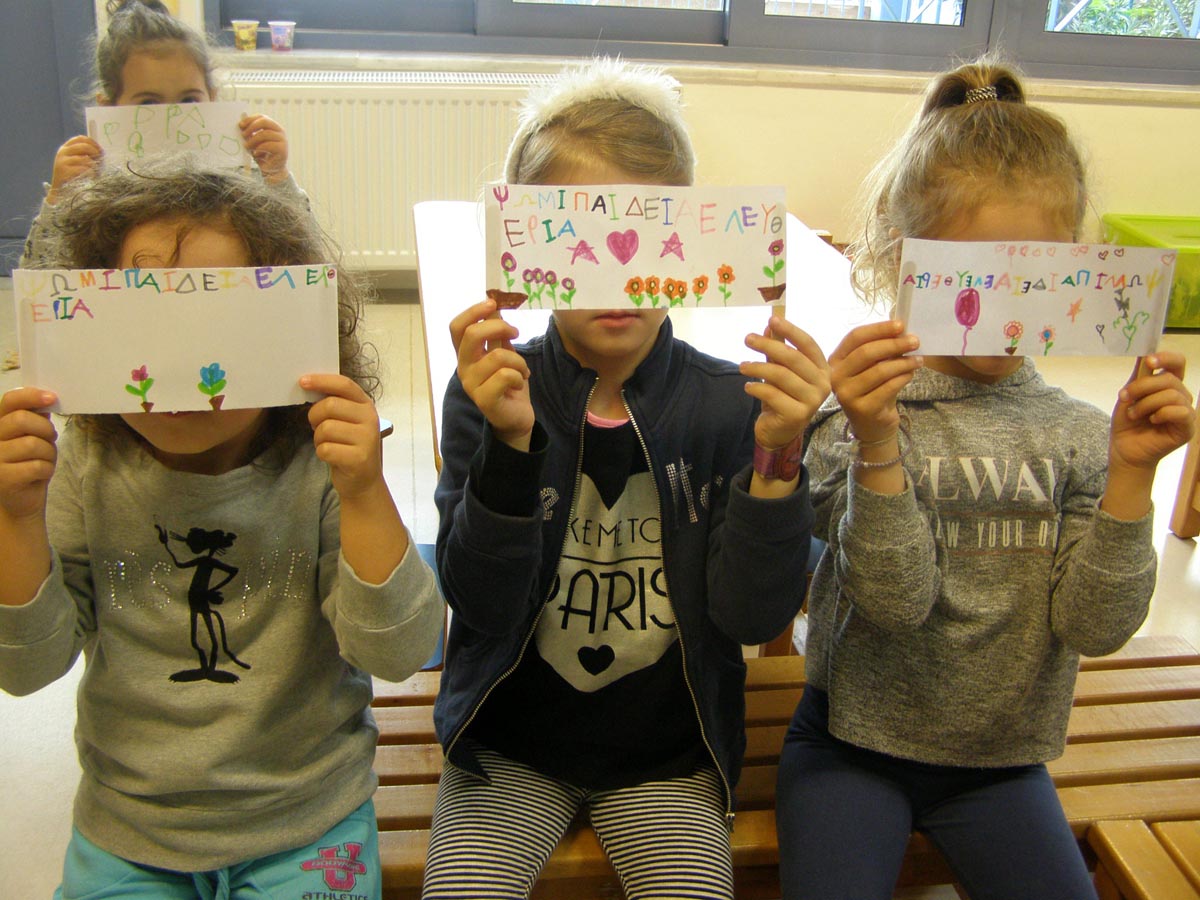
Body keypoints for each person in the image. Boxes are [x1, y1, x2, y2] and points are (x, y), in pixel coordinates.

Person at [775, 57, 1196, 900]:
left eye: (1035, 278)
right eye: (976, 275)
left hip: (1003, 764)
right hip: (848, 747)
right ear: (904, 263)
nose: (1003, 310)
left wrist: (1130, 475)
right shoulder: (850, 423)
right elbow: (894, 604)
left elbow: (1097, 626)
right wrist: (878, 443)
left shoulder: (1081, 436)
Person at [422, 58, 830, 900]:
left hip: (668, 759)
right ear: (527, 248)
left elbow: (754, 616)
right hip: (507, 751)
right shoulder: (491, 394)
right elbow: (479, 601)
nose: (616, 274)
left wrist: (778, 459)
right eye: (579, 239)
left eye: (650, 234)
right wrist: (510, 444)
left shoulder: (731, 405)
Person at [0, 161, 445, 899]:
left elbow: (399, 652)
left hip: (309, 816)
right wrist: (15, 520)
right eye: (141, 327)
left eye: (221, 329)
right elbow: (25, 669)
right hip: (131, 828)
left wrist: (366, 492)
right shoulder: (83, 464)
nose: (182, 370)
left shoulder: (319, 465)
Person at [20, 0, 299, 268]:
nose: (172, 118)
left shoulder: (237, 185)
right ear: (109, 108)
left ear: (212, 98)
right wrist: (60, 198)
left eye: (188, 100)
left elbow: (303, 261)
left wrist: (277, 177)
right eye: (148, 103)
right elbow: (42, 278)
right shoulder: (97, 193)